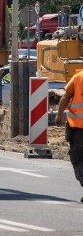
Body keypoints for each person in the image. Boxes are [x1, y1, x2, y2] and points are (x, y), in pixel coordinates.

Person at [54, 69, 83, 201]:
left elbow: (66, 97)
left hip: (78, 127)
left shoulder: (78, 77)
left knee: (77, 157)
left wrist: (59, 115)